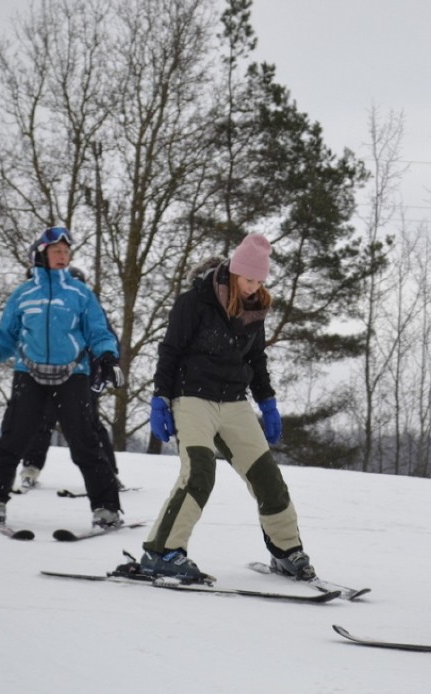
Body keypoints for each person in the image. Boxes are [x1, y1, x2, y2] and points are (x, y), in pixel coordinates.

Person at [141, 233, 315, 583]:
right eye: (249, 278)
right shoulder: (195, 302)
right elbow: (170, 351)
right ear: (234, 271)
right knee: (200, 473)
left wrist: (268, 402)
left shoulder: (255, 308)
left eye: (260, 280)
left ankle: (285, 551)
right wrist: (161, 397)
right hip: (192, 397)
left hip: (234, 402)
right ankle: (162, 552)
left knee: (269, 479)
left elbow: (256, 359)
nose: (254, 286)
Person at [0, 226, 124, 528]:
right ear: (40, 255)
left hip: (73, 375)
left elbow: (99, 332)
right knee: (13, 439)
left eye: (66, 252)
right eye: (56, 251)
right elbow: (4, 338)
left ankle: (107, 509)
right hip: (29, 375)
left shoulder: (80, 293)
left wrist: (108, 357)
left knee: (85, 442)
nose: (62, 256)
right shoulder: (23, 294)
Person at [17, 266, 124, 492]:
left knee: (89, 426)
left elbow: (108, 342)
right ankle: (30, 468)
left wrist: (102, 376)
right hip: (48, 377)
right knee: (41, 422)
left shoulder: (90, 308)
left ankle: (109, 474)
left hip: (82, 379)